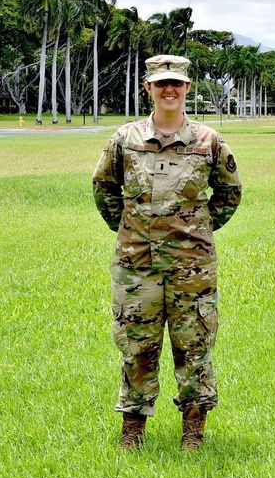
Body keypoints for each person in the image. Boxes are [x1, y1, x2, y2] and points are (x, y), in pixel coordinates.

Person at [92, 54, 242, 452]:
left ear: (188, 88)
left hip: (192, 266)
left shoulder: (209, 141)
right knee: (136, 345)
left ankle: (193, 430)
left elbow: (229, 194)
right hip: (135, 265)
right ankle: (132, 429)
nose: (169, 90)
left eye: (176, 83)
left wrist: (195, 231)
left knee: (194, 345)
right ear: (148, 89)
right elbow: (104, 189)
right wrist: (132, 229)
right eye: (161, 84)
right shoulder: (124, 139)